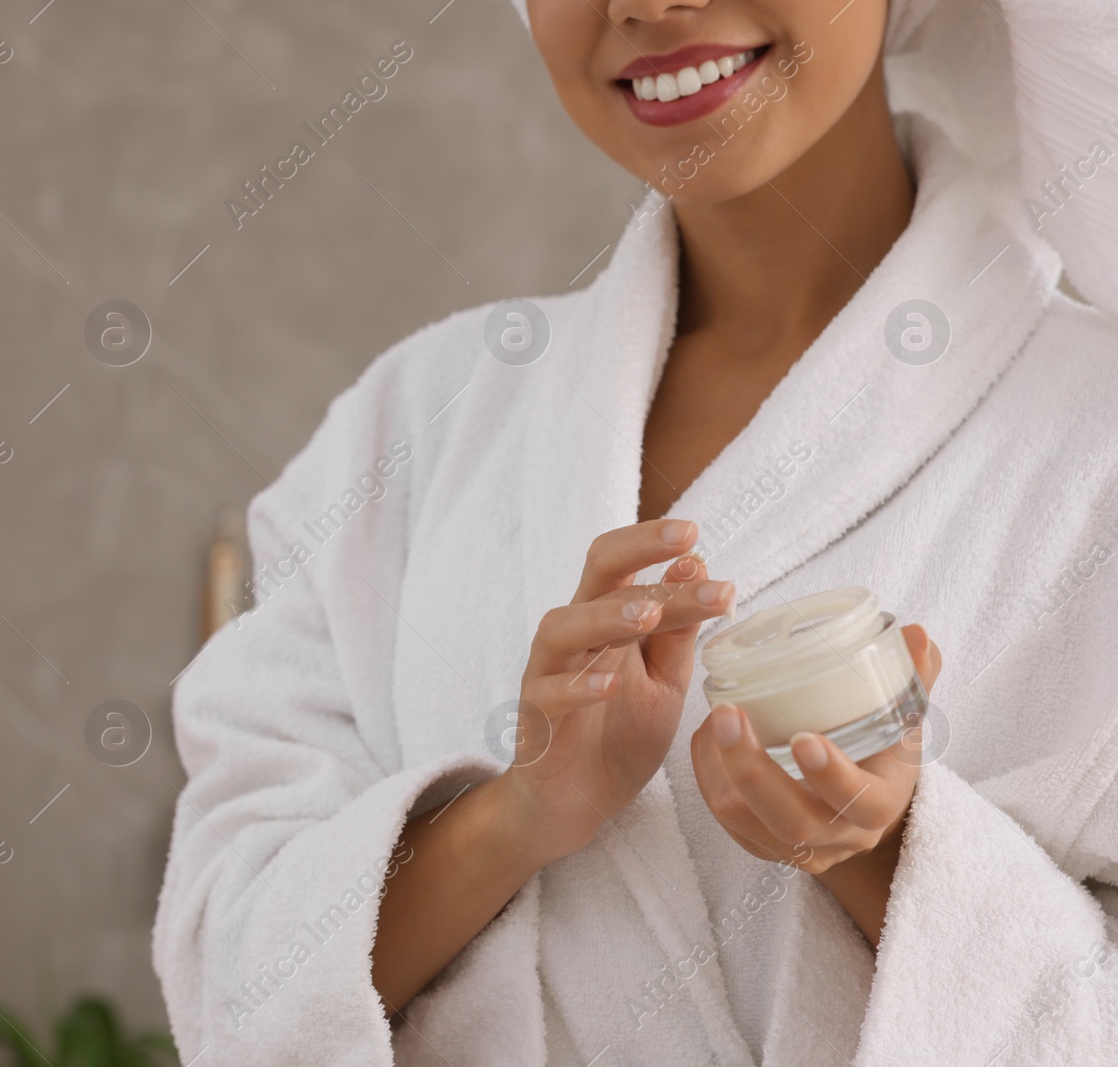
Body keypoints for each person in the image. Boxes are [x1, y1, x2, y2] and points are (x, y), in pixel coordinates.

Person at [154, 0, 1118, 1063]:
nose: (649, 3)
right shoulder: (406, 435)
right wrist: (511, 817)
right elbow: (222, 965)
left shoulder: (1092, 439)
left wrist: (884, 854)